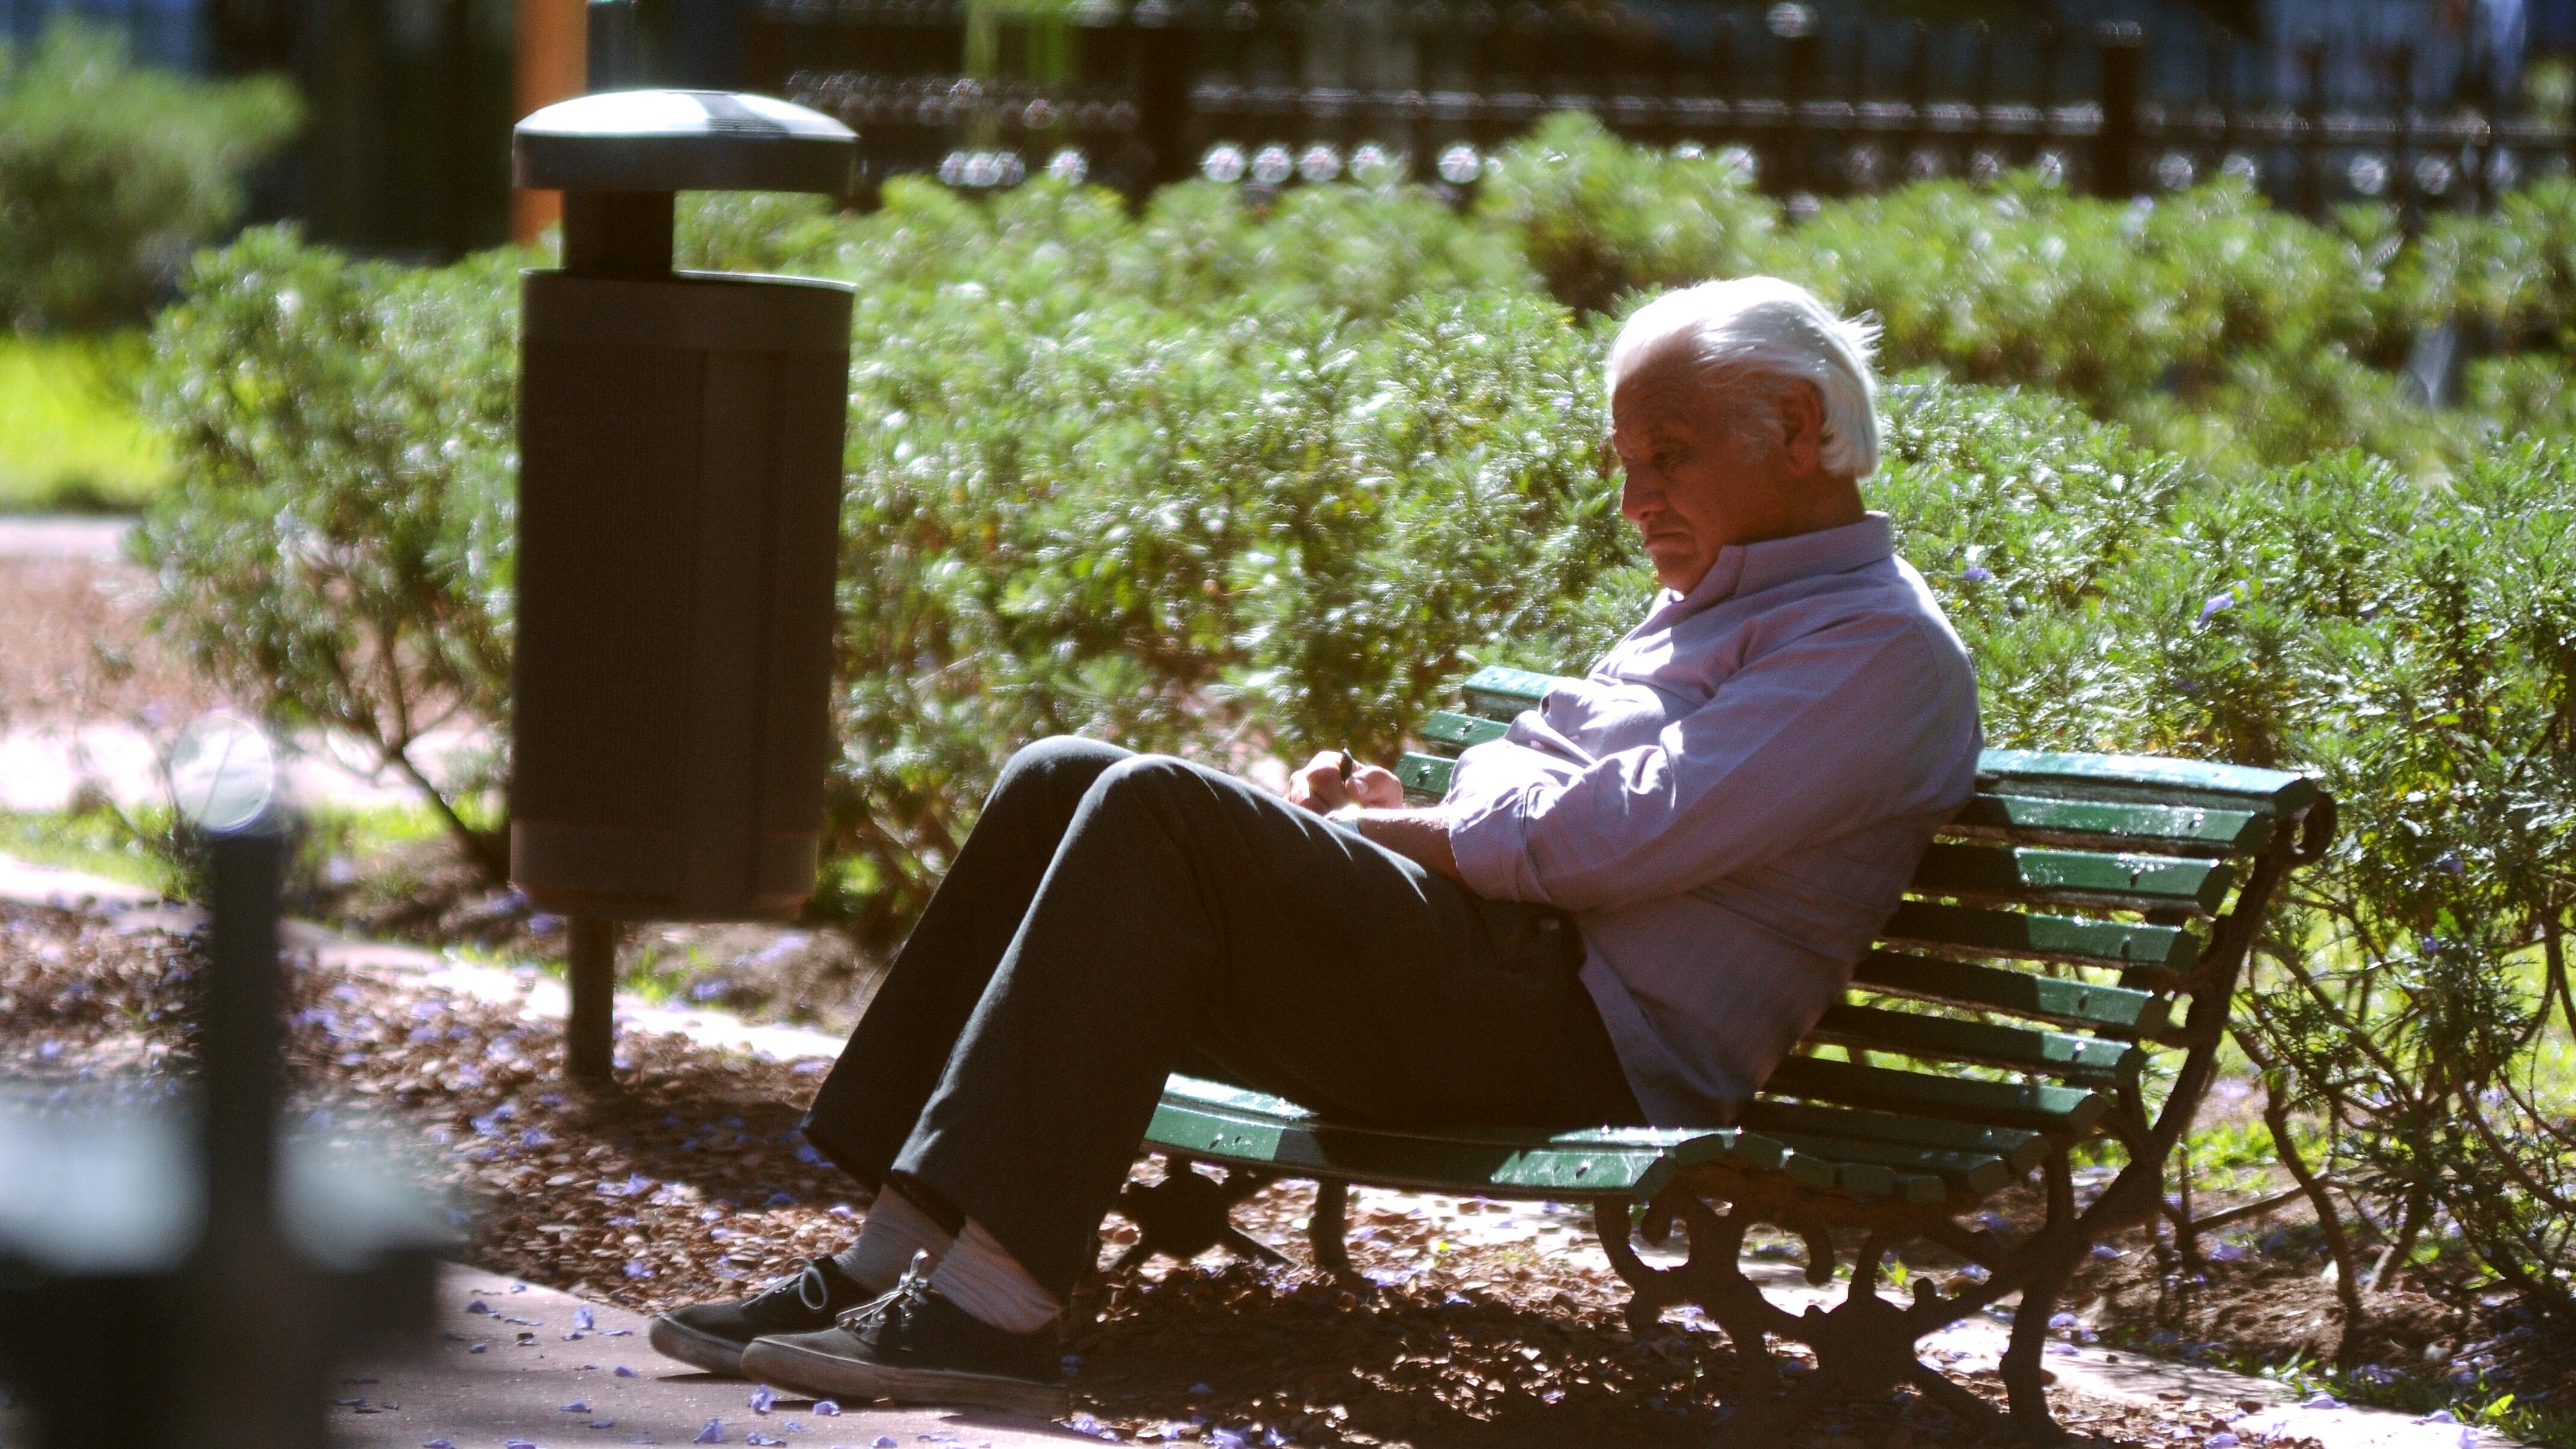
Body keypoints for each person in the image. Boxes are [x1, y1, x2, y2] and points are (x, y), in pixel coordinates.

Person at [648, 275, 1982, 1416]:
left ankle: (996, 1308)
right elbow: (1536, 778)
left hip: (1588, 1042)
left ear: (1799, 429)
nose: (1633, 499)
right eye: (1624, 462)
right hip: (1503, 974)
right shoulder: (1715, 596)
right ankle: (890, 1255)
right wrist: (1412, 816)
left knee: (1158, 807)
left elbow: (1607, 836)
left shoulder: (1874, 651)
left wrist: (1406, 831)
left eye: (1667, 454)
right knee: (1068, 777)